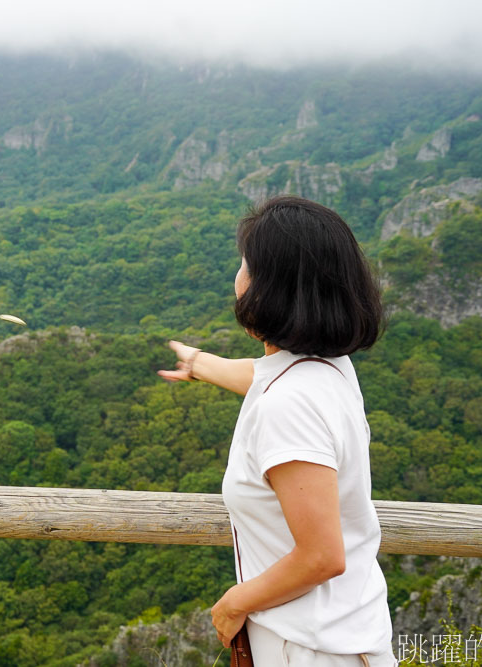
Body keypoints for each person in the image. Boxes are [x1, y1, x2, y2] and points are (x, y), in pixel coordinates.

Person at [159, 196, 396, 666]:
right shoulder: (330, 369)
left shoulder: (288, 407)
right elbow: (268, 379)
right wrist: (200, 363)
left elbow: (321, 556)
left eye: (245, 264)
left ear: (270, 288)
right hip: (347, 635)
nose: (237, 276)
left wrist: (234, 603)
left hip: (307, 648)